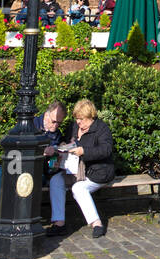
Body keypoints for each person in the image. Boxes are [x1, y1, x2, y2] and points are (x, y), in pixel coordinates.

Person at [66, 99, 115, 238]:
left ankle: (97, 223)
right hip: (75, 170)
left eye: (81, 119)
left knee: (78, 189)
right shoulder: (74, 128)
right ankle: (59, 223)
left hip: (98, 172)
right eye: (76, 119)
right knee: (55, 182)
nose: (78, 122)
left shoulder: (101, 128)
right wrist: (66, 145)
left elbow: (106, 150)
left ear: (90, 117)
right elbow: (66, 142)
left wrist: (84, 151)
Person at [37, 101, 69, 236]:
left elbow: (51, 166)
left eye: (59, 123)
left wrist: (54, 165)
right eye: (54, 121)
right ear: (46, 114)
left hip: (42, 174)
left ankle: (58, 224)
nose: (55, 126)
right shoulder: (31, 125)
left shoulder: (56, 135)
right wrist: (41, 153)